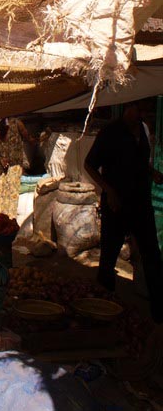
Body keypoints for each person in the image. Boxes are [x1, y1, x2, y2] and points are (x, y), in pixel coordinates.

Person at [84, 102, 163, 323]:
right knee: (109, 257)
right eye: (139, 110)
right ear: (128, 108)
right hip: (116, 204)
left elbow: (138, 161)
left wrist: (152, 171)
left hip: (141, 203)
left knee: (152, 257)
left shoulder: (143, 130)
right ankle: (101, 311)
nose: (142, 114)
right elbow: (89, 164)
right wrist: (108, 190)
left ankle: (159, 314)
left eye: (145, 111)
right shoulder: (110, 132)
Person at [0, 117, 30, 220]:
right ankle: (0, 223)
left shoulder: (11, 125)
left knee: (6, 198)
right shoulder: (5, 126)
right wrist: (0, 158)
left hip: (10, 168)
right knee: (1, 197)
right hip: (2, 169)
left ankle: (2, 224)